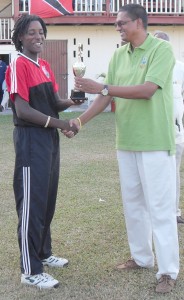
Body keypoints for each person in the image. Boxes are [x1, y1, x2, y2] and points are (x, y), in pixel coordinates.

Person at [66, 3, 180, 294]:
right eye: (116, 24)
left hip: (155, 141)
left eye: (122, 23)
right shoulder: (118, 54)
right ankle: (142, 258)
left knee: (161, 209)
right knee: (133, 206)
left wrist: (103, 88)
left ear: (139, 23)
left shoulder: (161, 50)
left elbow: (147, 90)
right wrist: (80, 121)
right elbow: (104, 97)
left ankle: (167, 271)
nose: (117, 28)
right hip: (126, 141)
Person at [5, 14, 80, 289]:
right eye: (32, 32)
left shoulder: (45, 66)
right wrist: (63, 124)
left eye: (41, 32)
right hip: (30, 140)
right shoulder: (18, 64)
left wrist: (73, 100)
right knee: (30, 206)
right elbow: (23, 110)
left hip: (49, 140)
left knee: (46, 201)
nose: (38, 37)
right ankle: (30, 269)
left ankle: (44, 254)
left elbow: (52, 104)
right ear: (21, 37)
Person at [153, 31, 184, 224]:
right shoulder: (148, 68)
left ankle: (175, 211)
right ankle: (156, 212)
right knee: (155, 173)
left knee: (174, 172)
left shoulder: (180, 68)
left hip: (177, 132)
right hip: (154, 131)